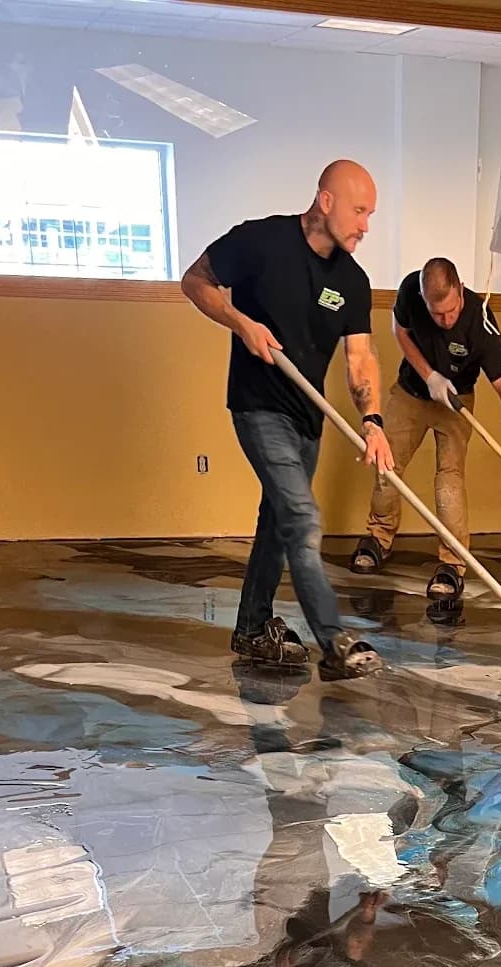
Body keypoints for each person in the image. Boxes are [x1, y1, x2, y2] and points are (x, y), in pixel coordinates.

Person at [181, 161, 395, 681]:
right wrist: (241, 322)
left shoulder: (352, 280)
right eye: (359, 210)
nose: (366, 225)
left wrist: (373, 420)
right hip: (258, 406)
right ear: (325, 201)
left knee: (277, 524)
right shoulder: (261, 242)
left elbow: (360, 359)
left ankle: (252, 629)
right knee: (302, 518)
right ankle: (334, 641)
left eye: (371, 214)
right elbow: (195, 281)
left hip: (307, 418)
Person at [352, 257, 501, 622]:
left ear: (461, 290)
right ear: (423, 298)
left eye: (451, 311)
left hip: (457, 402)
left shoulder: (481, 322)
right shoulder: (409, 290)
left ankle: (452, 565)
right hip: (410, 392)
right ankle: (378, 538)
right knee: (385, 465)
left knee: (448, 483)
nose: (446, 320)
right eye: (437, 315)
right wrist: (429, 375)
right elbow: (399, 331)